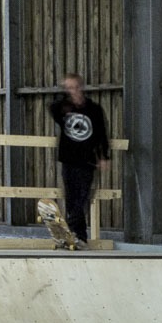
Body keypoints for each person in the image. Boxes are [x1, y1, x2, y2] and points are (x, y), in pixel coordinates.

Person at [48, 73, 110, 247]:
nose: (73, 91)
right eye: (69, 88)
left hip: (87, 161)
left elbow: (101, 134)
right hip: (68, 159)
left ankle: (74, 232)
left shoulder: (93, 109)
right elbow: (52, 108)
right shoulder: (63, 108)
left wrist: (104, 156)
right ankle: (78, 235)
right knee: (71, 197)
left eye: (75, 87)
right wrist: (64, 98)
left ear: (81, 87)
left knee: (81, 198)